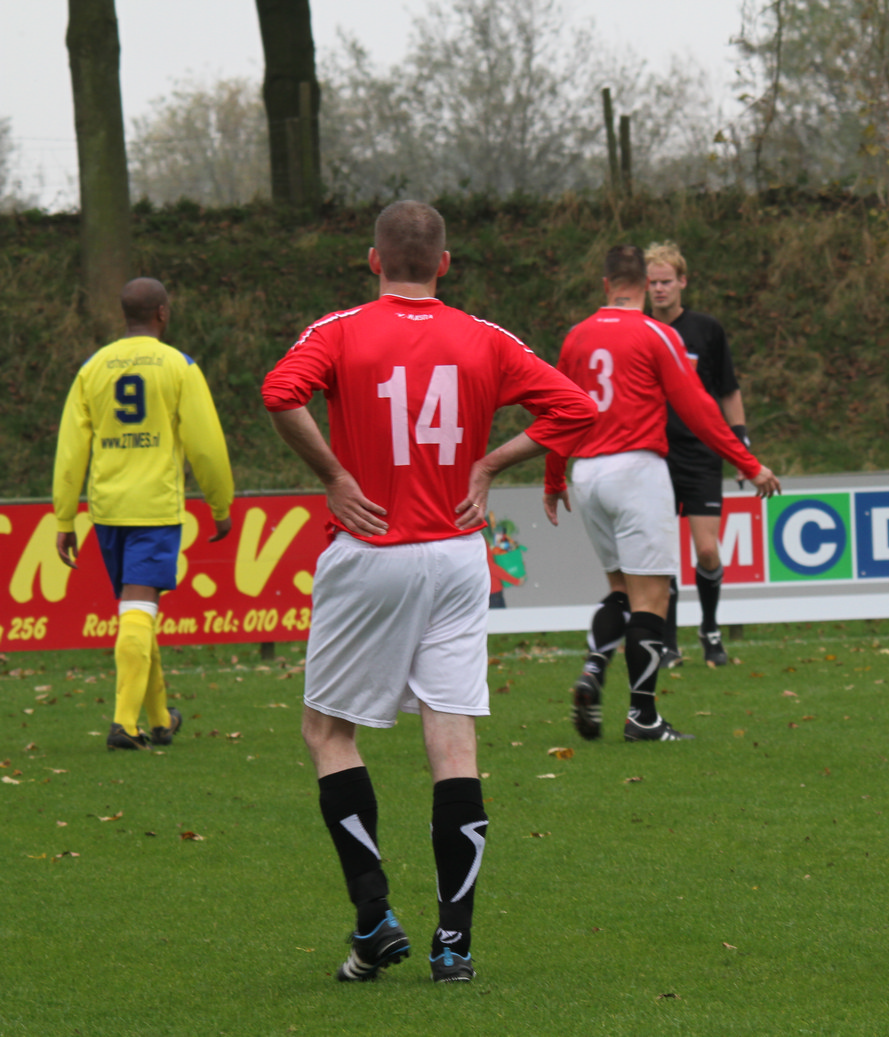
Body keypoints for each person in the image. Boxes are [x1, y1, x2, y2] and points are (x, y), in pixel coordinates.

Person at [261, 201, 596, 983]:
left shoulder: (339, 330)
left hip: (371, 549)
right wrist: (490, 463)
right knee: (453, 743)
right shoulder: (485, 337)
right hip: (455, 554)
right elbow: (575, 409)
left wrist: (333, 474)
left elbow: (280, 394)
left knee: (328, 732)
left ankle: (374, 915)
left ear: (373, 260)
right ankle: (454, 944)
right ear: (444, 263)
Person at [547, 245, 781, 743]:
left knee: (620, 591)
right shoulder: (657, 333)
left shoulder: (577, 335)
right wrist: (748, 463)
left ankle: (593, 668)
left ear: (606, 284)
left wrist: (553, 477)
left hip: (587, 473)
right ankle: (644, 717)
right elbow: (698, 408)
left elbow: (559, 410)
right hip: (637, 469)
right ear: (641, 285)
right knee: (651, 598)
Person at [52, 277, 234, 751]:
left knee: (138, 608)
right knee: (138, 609)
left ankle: (159, 719)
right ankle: (123, 724)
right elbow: (206, 445)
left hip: (108, 510)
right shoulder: (179, 366)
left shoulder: (93, 368)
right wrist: (220, 504)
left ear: (124, 314)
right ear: (162, 313)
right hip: (155, 508)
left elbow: (71, 450)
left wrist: (65, 518)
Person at [645, 241, 747, 667]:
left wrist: (740, 444)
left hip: (702, 452)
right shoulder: (639, 329)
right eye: (653, 282)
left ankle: (709, 628)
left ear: (682, 282)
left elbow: (728, 390)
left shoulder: (706, 329)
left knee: (706, 550)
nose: (659, 289)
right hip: (654, 454)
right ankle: (668, 642)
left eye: (666, 281)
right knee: (662, 553)